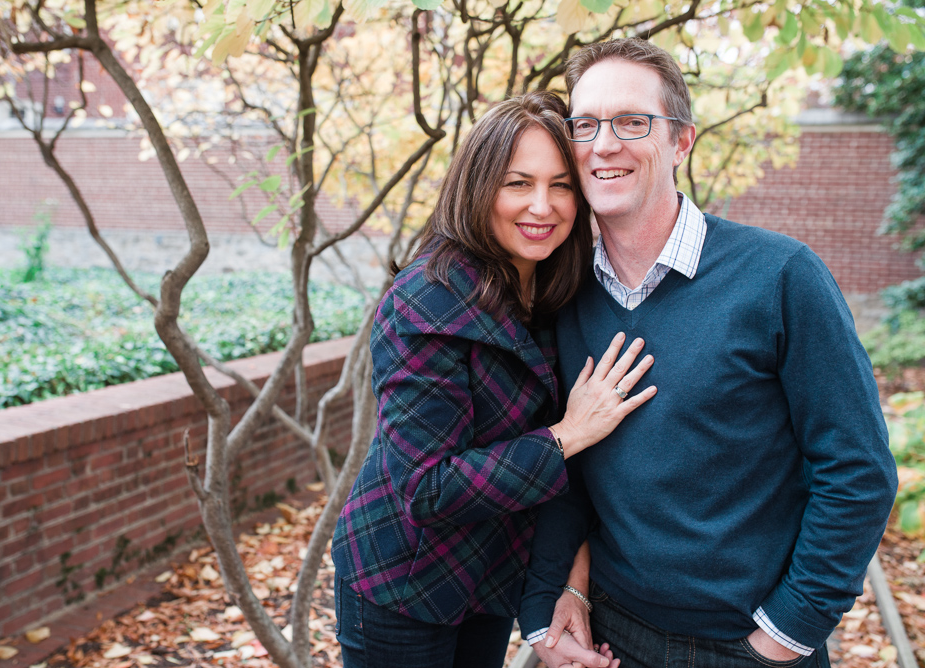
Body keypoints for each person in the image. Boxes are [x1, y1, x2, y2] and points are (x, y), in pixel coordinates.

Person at [517, 38, 900, 668]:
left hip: (749, 643)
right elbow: (570, 471)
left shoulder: (781, 276)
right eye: (584, 125)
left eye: (632, 121)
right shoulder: (566, 293)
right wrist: (558, 594)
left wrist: (787, 631)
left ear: (682, 141)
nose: (603, 144)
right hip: (614, 636)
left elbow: (858, 472)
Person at [331, 90, 655, 668]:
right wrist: (568, 434)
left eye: (561, 185)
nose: (542, 205)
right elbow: (426, 489)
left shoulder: (554, 292)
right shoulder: (426, 304)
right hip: (403, 582)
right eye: (517, 183)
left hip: (490, 575)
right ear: (479, 188)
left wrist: (566, 581)